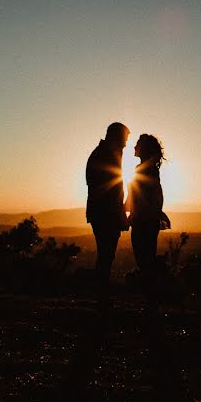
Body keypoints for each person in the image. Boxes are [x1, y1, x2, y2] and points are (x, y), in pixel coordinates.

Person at [85, 122, 130, 293]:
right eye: (125, 139)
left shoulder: (105, 154)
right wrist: (118, 214)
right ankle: (101, 295)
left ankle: (101, 294)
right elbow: (109, 191)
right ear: (116, 137)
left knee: (106, 254)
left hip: (103, 213)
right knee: (106, 254)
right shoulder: (105, 156)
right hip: (105, 214)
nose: (126, 144)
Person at [126, 133, 166, 305]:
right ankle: (151, 302)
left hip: (144, 222)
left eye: (137, 144)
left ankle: (151, 302)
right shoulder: (145, 168)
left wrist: (132, 214)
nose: (134, 147)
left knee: (145, 261)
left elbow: (145, 197)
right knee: (145, 260)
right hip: (144, 221)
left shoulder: (147, 170)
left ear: (144, 148)